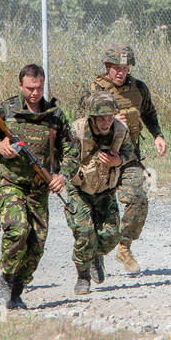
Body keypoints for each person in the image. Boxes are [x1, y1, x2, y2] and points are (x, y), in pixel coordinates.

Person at [0, 63, 70, 311]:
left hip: (40, 187)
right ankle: (6, 280)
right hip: (10, 182)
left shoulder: (55, 115)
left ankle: (17, 290)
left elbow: (71, 149)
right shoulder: (6, 110)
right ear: (21, 86)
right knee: (18, 229)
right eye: (30, 88)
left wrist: (63, 176)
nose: (35, 93)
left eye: (39, 88)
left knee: (37, 243)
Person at [84, 44, 167, 273]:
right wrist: (109, 120)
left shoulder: (138, 88)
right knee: (100, 212)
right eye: (116, 68)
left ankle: (124, 247)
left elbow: (149, 113)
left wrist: (158, 135)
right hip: (100, 157)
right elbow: (82, 125)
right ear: (107, 67)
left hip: (128, 156)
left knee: (139, 197)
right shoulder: (95, 90)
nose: (121, 72)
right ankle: (96, 253)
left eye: (126, 67)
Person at [61, 92, 135, 295]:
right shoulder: (77, 131)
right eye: (101, 118)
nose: (106, 122)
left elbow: (131, 154)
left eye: (110, 117)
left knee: (111, 235)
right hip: (79, 189)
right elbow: (65, 156)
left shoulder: (120, 130)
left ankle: (96, 255)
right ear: (92, 117)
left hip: (105, 189)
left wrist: (118, 161)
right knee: (84, 233)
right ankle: (83, 276)